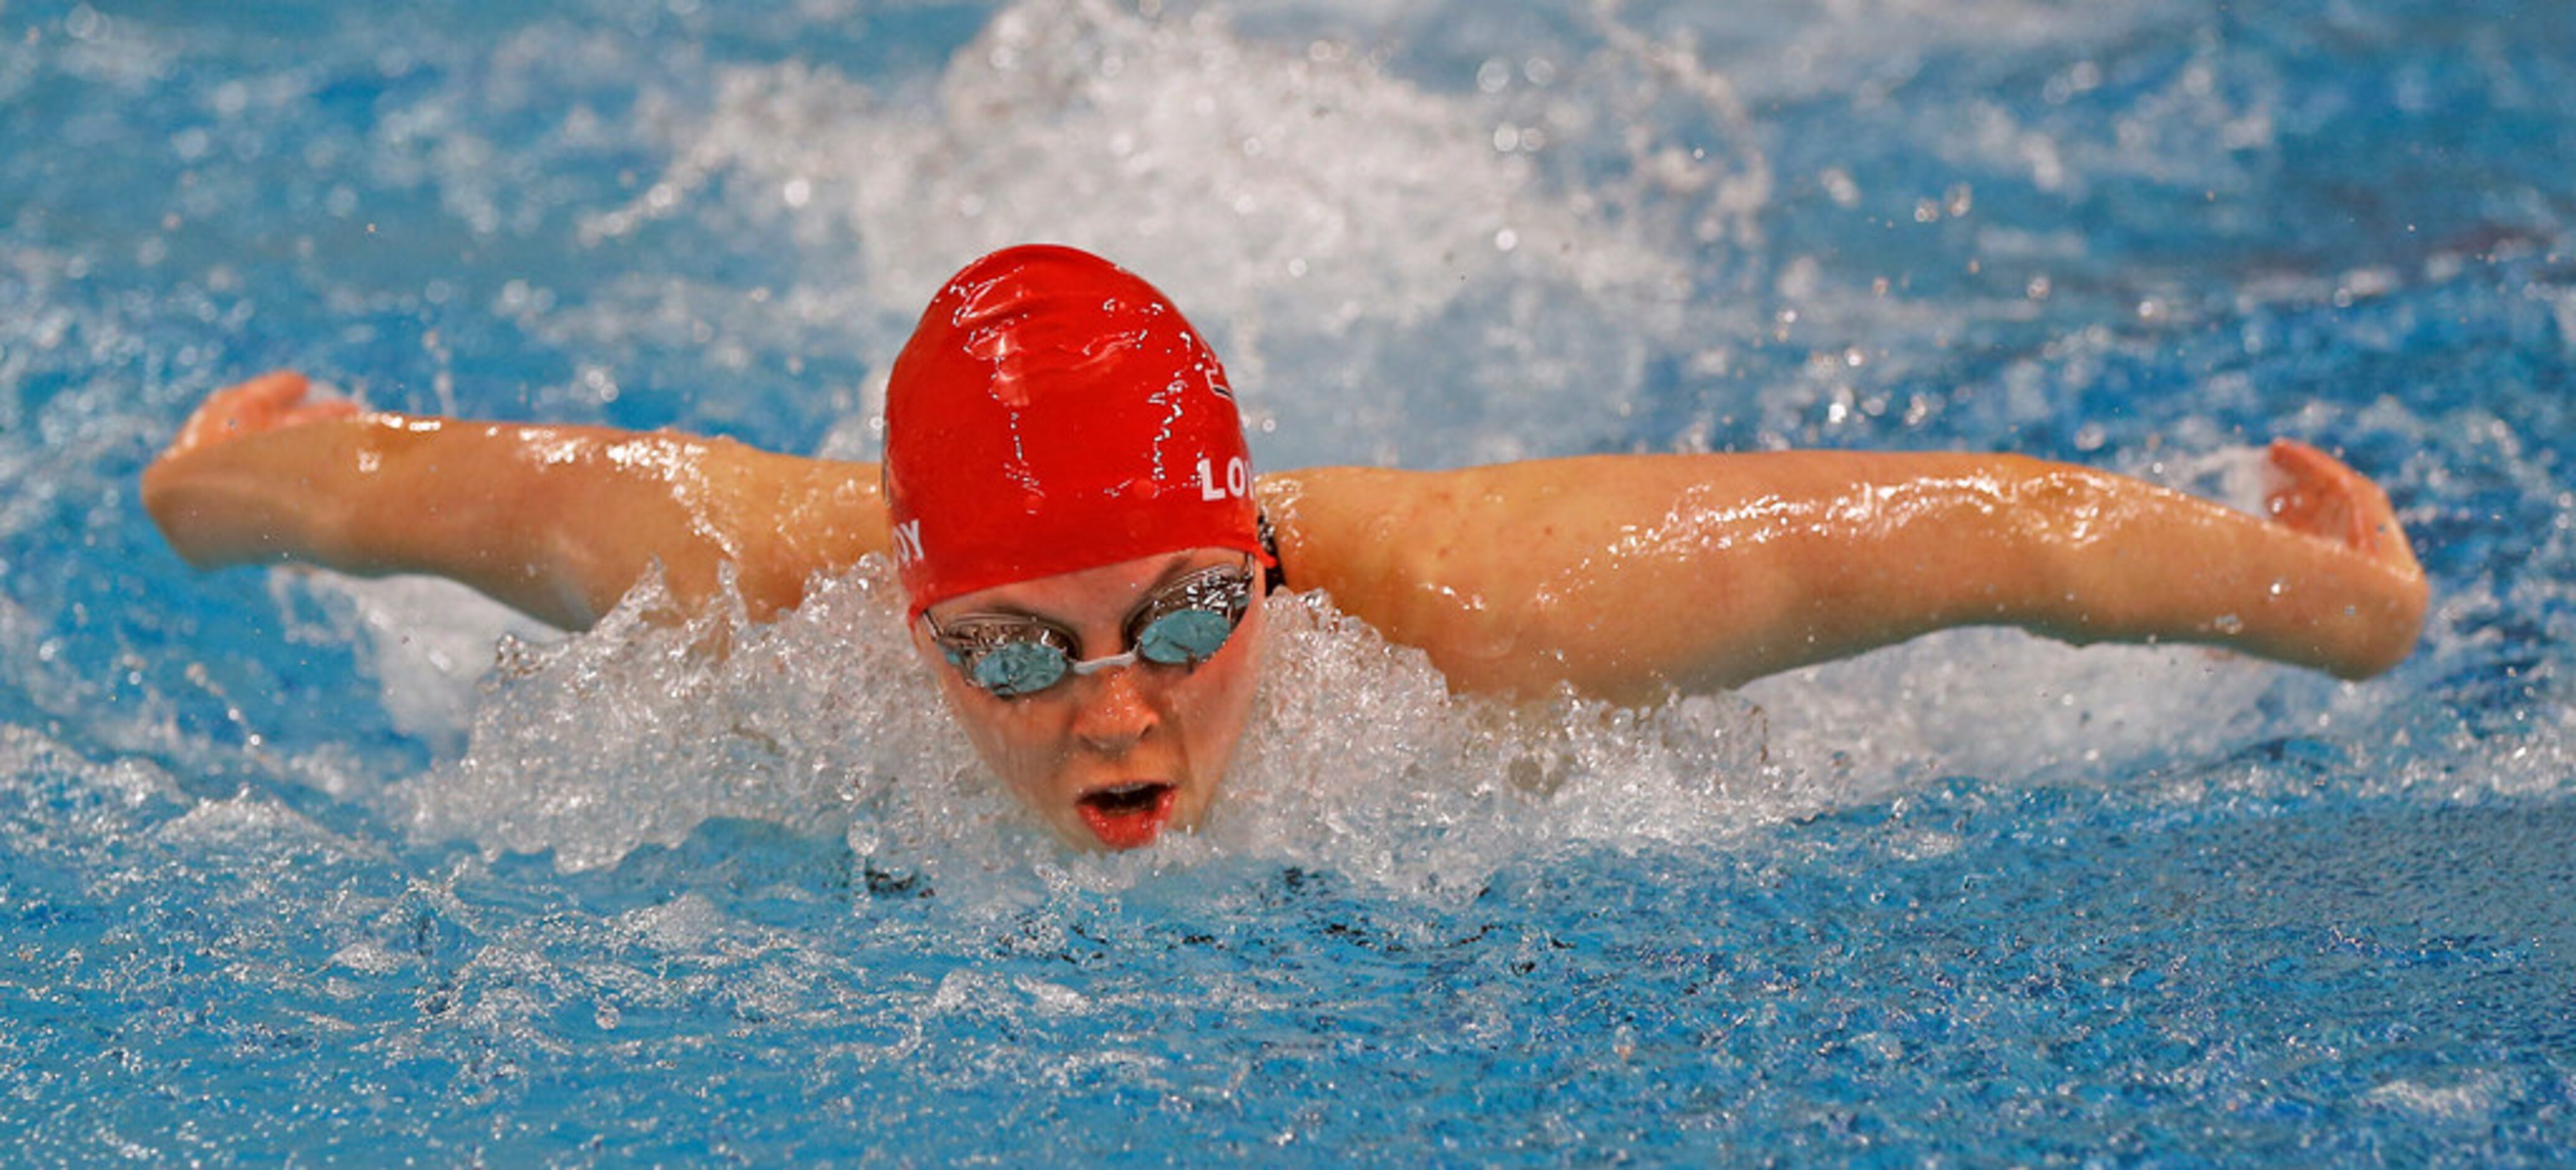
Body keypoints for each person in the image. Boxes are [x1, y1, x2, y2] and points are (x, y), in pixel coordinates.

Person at [141, 244, 2430, 851]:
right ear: (913, 617)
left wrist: (2336, 605)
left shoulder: (1491, 606)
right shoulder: (757, 576)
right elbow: (417, 496)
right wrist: (217, 484)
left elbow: (1963, 539)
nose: (1120, 709)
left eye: (1181, 622)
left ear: (1255, 565)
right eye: (1013, 661)